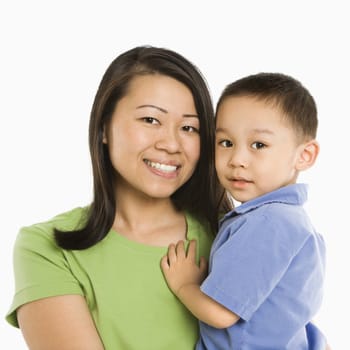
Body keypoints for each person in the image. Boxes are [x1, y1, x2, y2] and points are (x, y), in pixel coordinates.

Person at [6, 45, 230, 350]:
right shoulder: (48, 248)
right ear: (104, 128)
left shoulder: (232, 237)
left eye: (189, 127)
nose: (171, 143)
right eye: (150, 120)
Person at [161, 72, 327, 349]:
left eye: (259, 145)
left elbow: (221, 314)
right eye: (226, 143)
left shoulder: (267, 222)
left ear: (304, 155)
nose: (237, 159)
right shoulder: (292, 221)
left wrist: (185, 285)